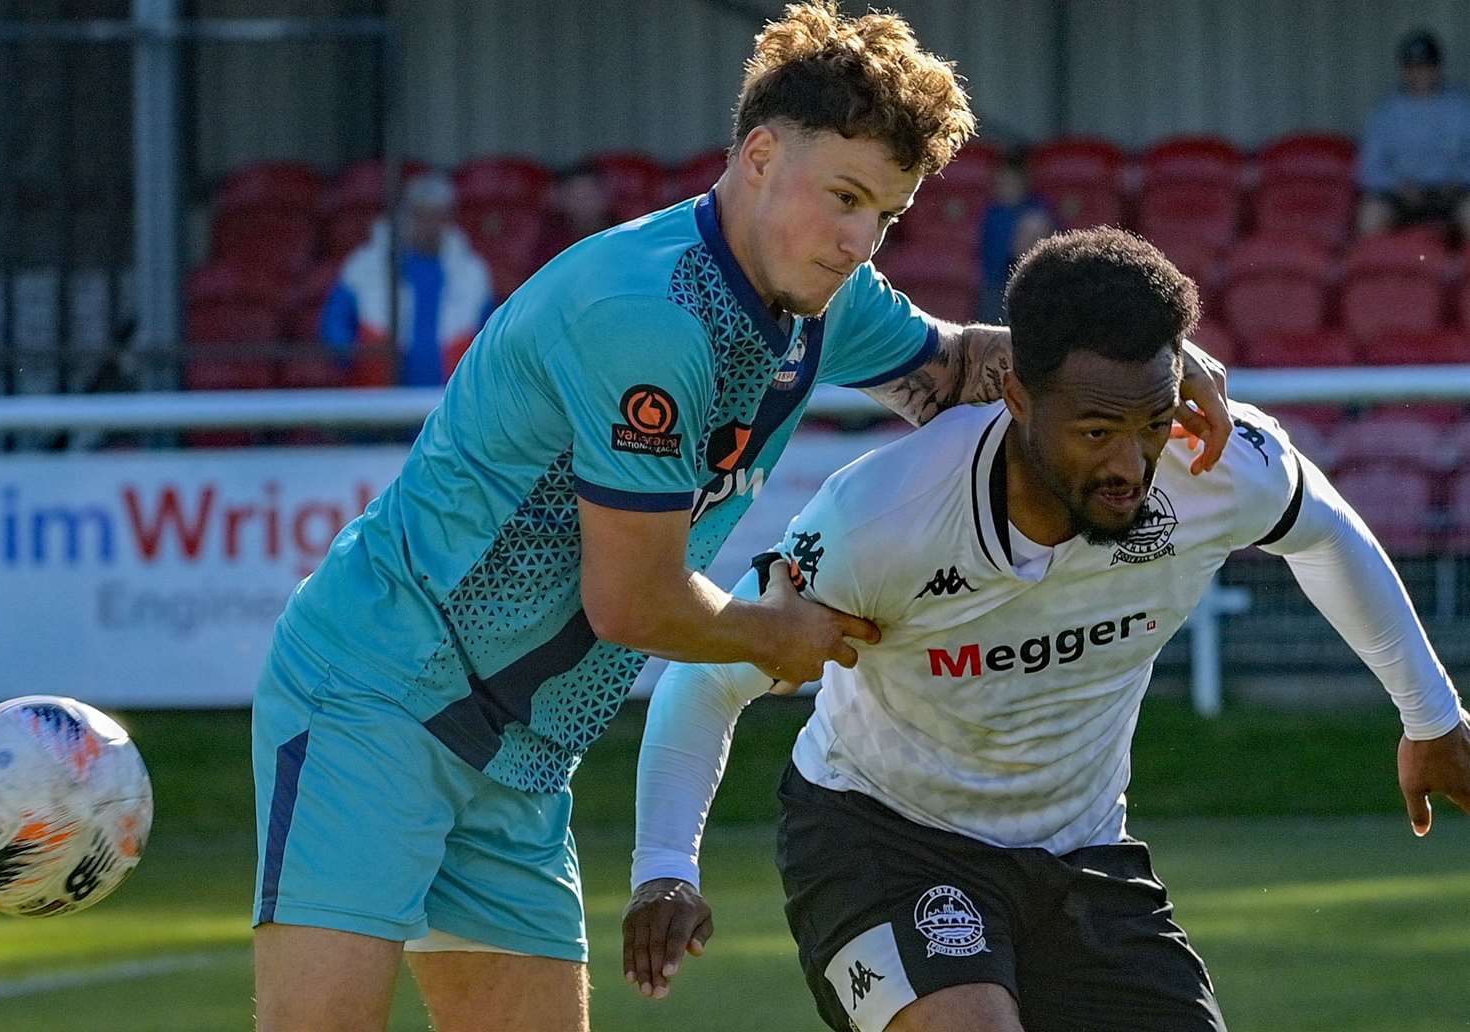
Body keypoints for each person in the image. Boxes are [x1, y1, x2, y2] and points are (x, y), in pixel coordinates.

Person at [250, 0, 1232, 1032]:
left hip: (520, 759)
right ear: (759, 156)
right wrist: (778, 636)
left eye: (886, 215)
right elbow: (633, 600)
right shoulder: (648, 317)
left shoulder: (819, 297)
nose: (860, 239)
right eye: (844, 197)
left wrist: (1152, 362)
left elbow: (963, 371)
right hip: (380, 698)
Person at [626, 227, 1470, 1032]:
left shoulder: (1212, 466)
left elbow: (1323, 528)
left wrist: (1430, 716)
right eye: (1096, 432)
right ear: (1018, 398)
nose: (1129, 467)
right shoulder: (882, 517)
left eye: (1148, 425)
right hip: (881, 838)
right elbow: (706, 677)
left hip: (1083, 851)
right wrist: (666, 866)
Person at [319, 172, 495, 386]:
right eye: (420, 215)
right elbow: (335, 322)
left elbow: (490, 335)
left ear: (449, 220)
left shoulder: (473, 272)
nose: (428, 225)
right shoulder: (364, 265)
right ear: (404, 216)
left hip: (451, 397)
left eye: (437, 216)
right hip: (378, 395)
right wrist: (350, 354)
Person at [1356, 29, 1470, 237]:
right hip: (1402, 193)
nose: (1420, 74)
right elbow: (1370, 168)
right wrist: (1397, 186)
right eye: (1414, 67)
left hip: (1453, 191)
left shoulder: (1461, 106)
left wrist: (1459, 179)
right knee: (1371, 218)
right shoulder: (1387, 111)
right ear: (1404, 70)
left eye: (1426, 66)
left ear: (1438, 67)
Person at [977, 147, 1053, 322]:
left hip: (1033, 285)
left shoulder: (1038, 209)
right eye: (1001, 181)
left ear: (1023, 181)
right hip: (995, 288)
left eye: (1011, 182)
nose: (1005, 187)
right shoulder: (992, 213)